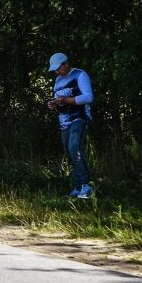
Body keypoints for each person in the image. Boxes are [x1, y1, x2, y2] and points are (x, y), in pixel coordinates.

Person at [46, 52, 94, 198]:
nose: (56, 71)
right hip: (64, 121)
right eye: (54, 69)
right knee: (68, 152)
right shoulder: (58, 80)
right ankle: (78, 187)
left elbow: (88, 97)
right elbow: (60, 100)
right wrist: (54, 104)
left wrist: (66, 101)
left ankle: (87, 187)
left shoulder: (80, 75)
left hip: (79, 118)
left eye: (58, 68)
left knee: (75, 148)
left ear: (66, 64)